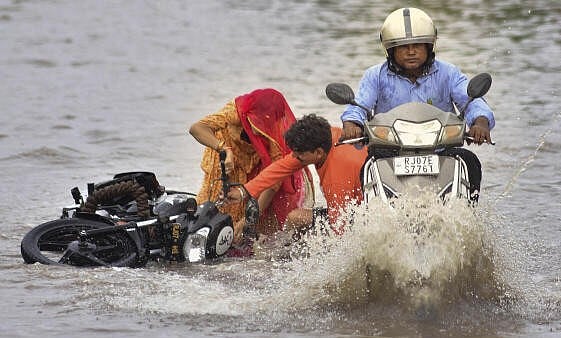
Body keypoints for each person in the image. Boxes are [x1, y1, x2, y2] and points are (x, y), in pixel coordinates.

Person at [339, 7, 495, 144]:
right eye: (404, 47)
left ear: (429, 47)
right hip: (388, 150)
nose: (411, 52)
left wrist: (480, 122)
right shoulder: (375, 76)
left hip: (442, 149)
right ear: (391, 50)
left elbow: (471, 101)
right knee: (366, 172)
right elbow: (359, 105)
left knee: (470, 164)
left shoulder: (449, 73)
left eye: (418, 45)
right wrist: (352, 124)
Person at [189, 88, 313, 245]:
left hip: (253, 167)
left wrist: (249, 220)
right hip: (223, 160)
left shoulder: (272, 131)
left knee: (244, 214)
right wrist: (224, 149)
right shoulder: (235, 112)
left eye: (267, 122)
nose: (263, 126)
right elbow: (197, 128)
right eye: (259, 120)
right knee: (213, 203)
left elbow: (274, 180)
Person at [226, 114, 368, 235]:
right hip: (358, 200)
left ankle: (287, 256)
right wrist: (244, 190)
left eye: (299, 154)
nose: (294, 157)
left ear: (318, 153)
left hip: (360, 216)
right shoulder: (330, 136)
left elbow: (340, 226)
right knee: (296, 218)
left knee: (295, 219)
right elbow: (280, 168)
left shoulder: (335, 179)